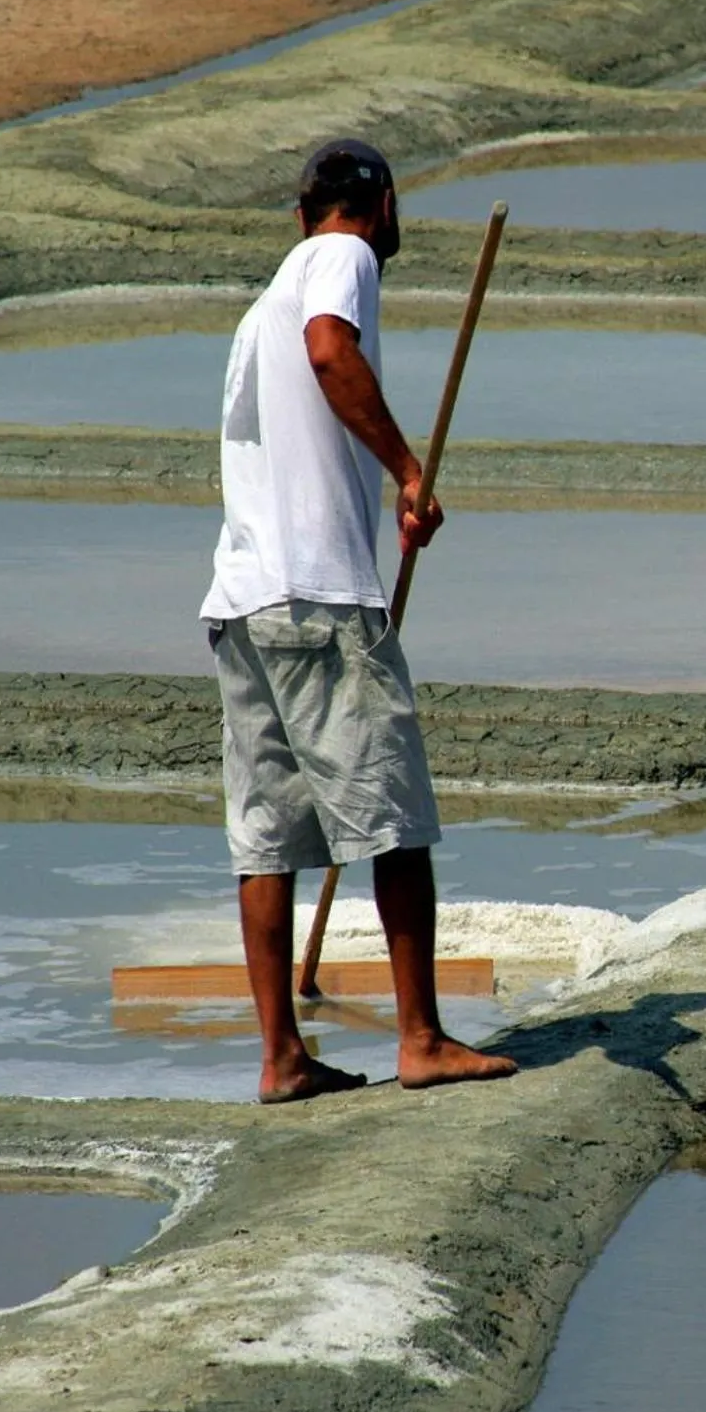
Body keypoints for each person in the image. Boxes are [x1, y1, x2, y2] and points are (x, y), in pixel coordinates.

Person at [200, 138, 518, 1104]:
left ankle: (282, 1058)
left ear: (301, 210)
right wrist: (407, 471)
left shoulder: (262, 305)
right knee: (394, 821)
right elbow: (333, 351)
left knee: (267, 837)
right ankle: (421, 1039)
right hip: (317, 600)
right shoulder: (342, 259)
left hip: (244, 604)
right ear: (376, 206)